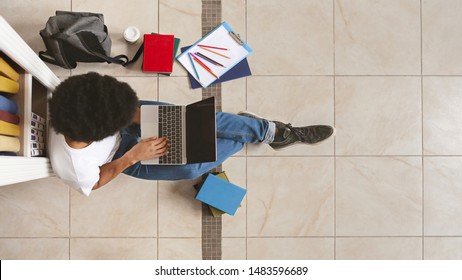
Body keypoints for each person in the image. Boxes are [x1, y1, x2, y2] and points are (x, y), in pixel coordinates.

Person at [48, 72, 334, 196]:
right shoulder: (73, 167)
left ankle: (270, 132)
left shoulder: (78, 99)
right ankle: (258, 132)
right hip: (123, 157)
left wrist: (141, 117)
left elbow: (122, 109)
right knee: (190, 166)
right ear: (97, 133)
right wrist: (135, 154)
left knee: (197, 122)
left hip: (117, 124)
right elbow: (97, 181)